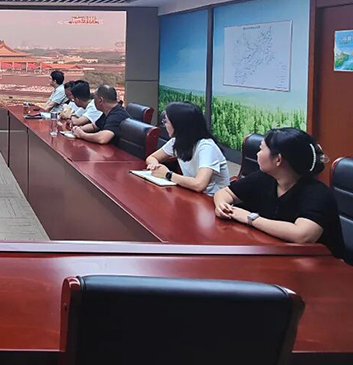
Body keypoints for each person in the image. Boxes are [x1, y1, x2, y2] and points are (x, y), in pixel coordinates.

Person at [213, 128, 343, 258]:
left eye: (261, 149)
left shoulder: (318, 194)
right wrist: (222, 205)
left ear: (278, 159)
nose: (257, 154)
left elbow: (303, 235)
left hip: (319, 262)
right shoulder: (265, 178)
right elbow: (226, 192)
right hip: (276, 252)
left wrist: (250, 218)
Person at [145, 102, 230, 195]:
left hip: (213, 199)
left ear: (179, 125)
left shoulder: (206, 147)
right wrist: (155, 166)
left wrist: (167, 174)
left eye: (166, 121)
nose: (164, 125)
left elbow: (199, 184)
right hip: (192, 193)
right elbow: (152, 157)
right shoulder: (177, 141)